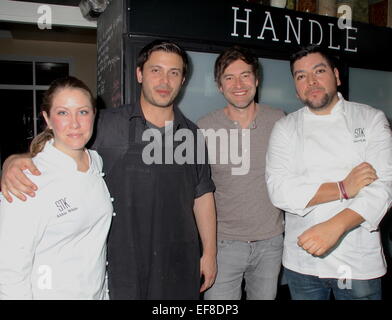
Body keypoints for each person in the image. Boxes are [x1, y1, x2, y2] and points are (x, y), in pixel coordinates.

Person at [0, 40, 217, 300]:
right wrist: (17, 159)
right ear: (139, 74)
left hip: (178, 262)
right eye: (155, 70)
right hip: (123, 269)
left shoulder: (193, 135)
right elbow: (67, 138)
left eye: (174, 73)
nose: (164, 81)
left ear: (183, 80)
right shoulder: (107, 124)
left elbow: (202, 195)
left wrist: (210, 253)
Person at [265, 44, 392, 300]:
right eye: (301, 76)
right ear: (295, 85)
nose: (310, 81)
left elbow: (384, 186)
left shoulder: (370, 119)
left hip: (357, 261)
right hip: (303, 261)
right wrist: (344, 187)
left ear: (336, 76)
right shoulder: (285, 128)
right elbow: (279, 191)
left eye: (319, 71)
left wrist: (335, 226)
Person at [0, 76, 113, 299]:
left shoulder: (96, 161)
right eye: (63, 113)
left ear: (94, 115)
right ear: (47, 119)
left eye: (83, 112)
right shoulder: (28, 180)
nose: (74, 123)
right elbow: (9, 270)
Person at [197, 46, 284, 300]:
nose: (238, 84)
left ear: (256, 80)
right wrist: (208, 252)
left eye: (245, 75)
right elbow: (198, 193)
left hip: (270, 243)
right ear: (219, 85)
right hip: (223, 245)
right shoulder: (204, 128)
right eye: (229, 77)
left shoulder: (279, 120)